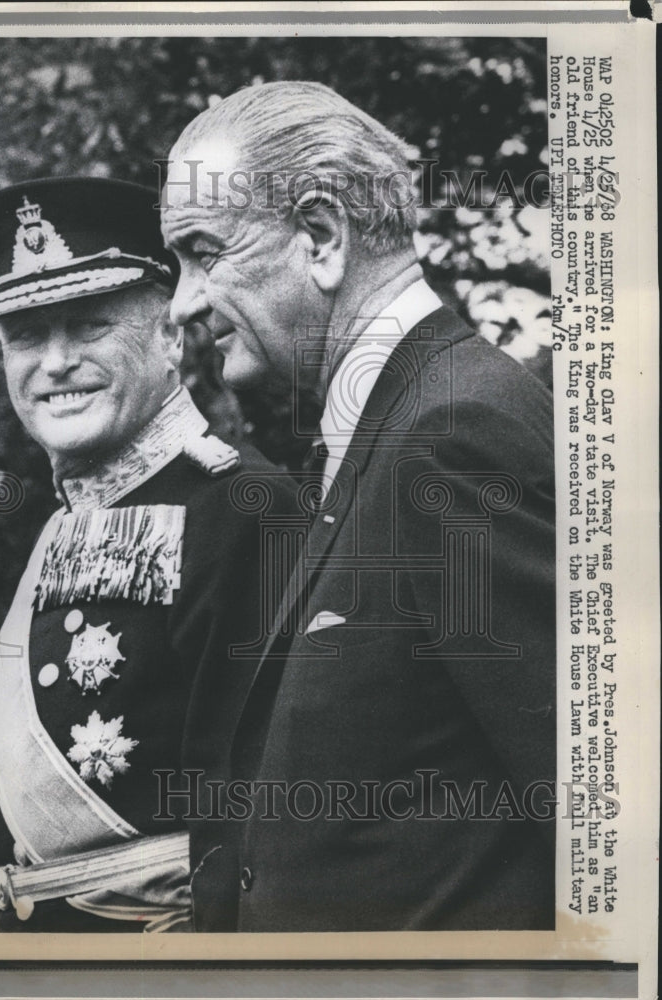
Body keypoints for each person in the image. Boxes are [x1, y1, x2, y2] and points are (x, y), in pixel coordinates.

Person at [161, 81, 557, 932]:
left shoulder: (453, 433)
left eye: (203, 252)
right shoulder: (401, 422)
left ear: (321, 235)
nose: (181, 303)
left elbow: (601, 819)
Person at [0, 176, 294, 932]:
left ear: (170, 335)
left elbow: (260, 823)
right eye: (26, 337)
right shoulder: (63, 520)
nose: (56, 362)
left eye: (91, 325)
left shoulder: (243, 508)